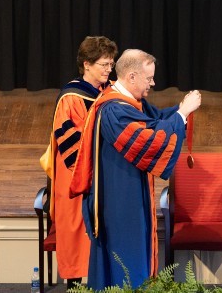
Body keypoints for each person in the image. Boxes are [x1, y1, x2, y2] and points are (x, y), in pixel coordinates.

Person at [69, 49, 201, 290]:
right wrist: (182, 114)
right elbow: (148, 140)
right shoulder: (113, 109)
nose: (153, 83)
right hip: (119, 201)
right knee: (125, 262)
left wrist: (182, 109)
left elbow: (156, 120)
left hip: (128, 193)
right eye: (149, 78)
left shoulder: (129, 103)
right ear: (131, 77)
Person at [49, 36, 118, 290]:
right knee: (78, 238)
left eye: (111, 64)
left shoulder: (108, 92)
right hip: (77, 179)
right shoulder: (72, 97)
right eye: (103, 64)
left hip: (102, 176)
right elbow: (70, 146)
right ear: (87, 64)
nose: (108, 70)